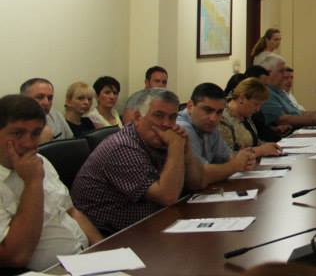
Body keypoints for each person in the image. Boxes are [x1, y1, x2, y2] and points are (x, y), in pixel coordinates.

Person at [71, 89, 206, 234]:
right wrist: (176, 147)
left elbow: (197, 183)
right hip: (108, 235)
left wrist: (186, 149)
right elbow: (167, 197)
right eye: (158, 115)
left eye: (172, 117)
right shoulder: (122, 146)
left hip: (149, 224)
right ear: (137, 117)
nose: (167, 124)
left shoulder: (159, 141)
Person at [0, 95, 101, 270]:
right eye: (17, 133)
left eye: (35, 133)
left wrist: (102, 248)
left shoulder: (41, 161)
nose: (28, 143)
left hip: (84, 259)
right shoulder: (33, 171)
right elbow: (16, 257)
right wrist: (33, 183)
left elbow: (71, 211)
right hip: (50, 271)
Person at [176, 83, 258, 183]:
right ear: (190, 106)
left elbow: (228, 158)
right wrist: (236, 165)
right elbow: (199, 176)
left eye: (219, 112)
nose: (213, 118)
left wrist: (246, 160)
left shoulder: (208, 126)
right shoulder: (182, 128)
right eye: (207, 110)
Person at [259, 55, 316, 130]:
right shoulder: (266, 92)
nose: (284, 75)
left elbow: (297, 112)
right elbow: (282, 120)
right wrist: (313, 120)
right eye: (281, 71)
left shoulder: (280, 91)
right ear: (268, 73)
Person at [219, 78, 282, 157]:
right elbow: (225, 156)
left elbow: (253, 141)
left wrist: (266, 145)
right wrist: (260, 150)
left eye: (260, 105)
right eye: (256, 104)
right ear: (242, 98)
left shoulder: (245, 115)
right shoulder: (222, 119)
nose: (258, 109)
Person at [20, 78, 73, 143]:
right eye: (39, 97)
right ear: (23, 99)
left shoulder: (56, 115)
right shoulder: (13, 124)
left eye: (50, 98)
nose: (46, 103)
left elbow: (71, 142)